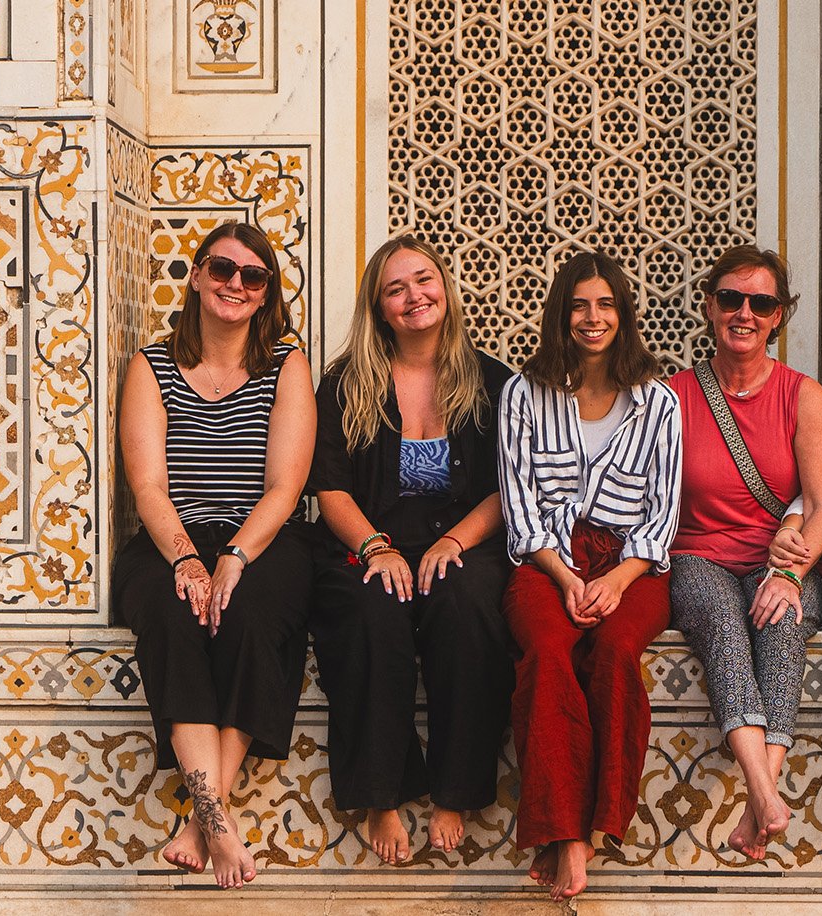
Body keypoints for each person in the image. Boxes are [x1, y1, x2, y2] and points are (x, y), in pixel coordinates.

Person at [114, 221, 315, 888]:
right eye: (223, 269)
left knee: (250, 618)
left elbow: (285, 487)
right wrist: (184, 558)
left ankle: (203, 822)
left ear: (266, 292)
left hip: (260, 536)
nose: (236, 284)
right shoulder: (152, 366)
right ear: (197, 275)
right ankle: (218, 822)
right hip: (171, 536)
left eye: (253, 276)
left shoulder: (286, 363)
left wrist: (234, 556)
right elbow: (148, 484)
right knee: (174, 619)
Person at [308, 235, 514, 866]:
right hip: (369, 539)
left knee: (468, 605)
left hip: (465, 538)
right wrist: (375, 547)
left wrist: (454, 540)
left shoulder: (493, 381)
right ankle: (384, 793)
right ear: (379, 308)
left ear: (445, 287)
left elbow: (510, 488)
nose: (413, 296)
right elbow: (331, 489)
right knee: (372, 611)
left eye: (423, 280)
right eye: (394, 289)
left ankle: (454, 791)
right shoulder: (347, 383)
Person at [498, 251, 682, 901]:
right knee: (548, 651)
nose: (592, 317)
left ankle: (598, 824)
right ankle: (564, 834)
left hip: (632, 566)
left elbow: (663, 512)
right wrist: (565, 576)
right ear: (560, 314)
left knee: (615, 649)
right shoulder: (524, 393)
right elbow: (519, 504)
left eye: (605, 304)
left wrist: (619, 578)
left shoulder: (658, 401)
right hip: (545, 561)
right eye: (578, 305)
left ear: (623, 313)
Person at [667, 245, 822, 861]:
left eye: (761, 303)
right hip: (698, 555)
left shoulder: (802, 395)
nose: (745, 313)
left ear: (778, 317)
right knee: (722, 622)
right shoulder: (672, 396)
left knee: (782, 622)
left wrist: (790, 574)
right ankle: (766, 793)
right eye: (731, 299)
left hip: (783, 560)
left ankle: (757, 801)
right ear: (709, 307)